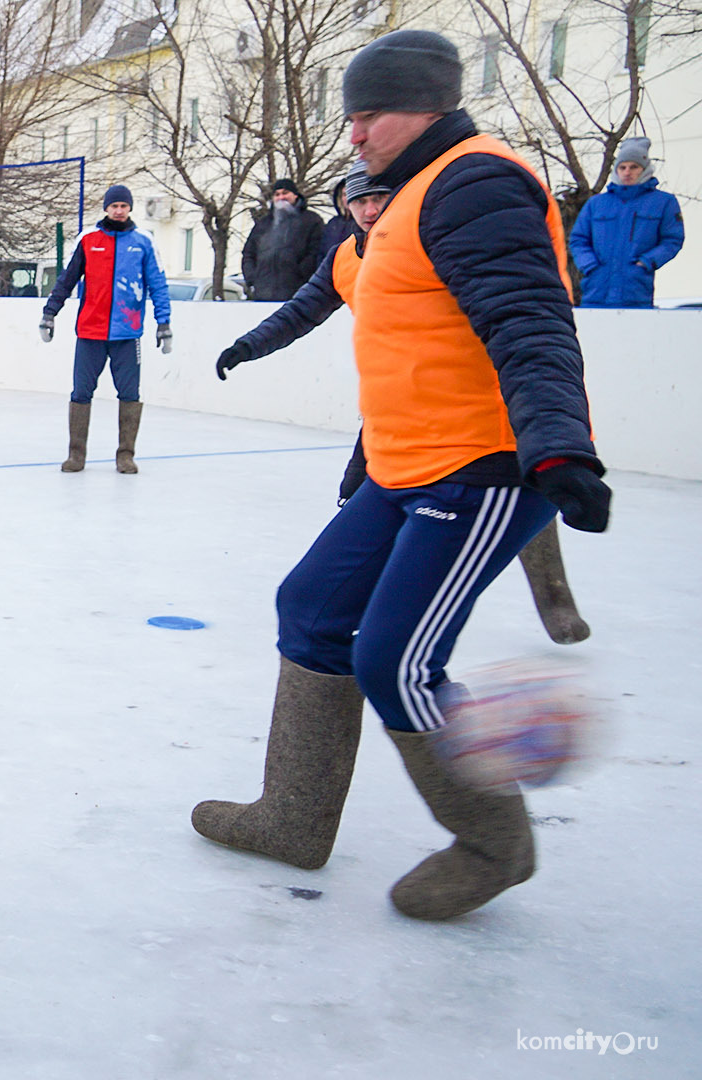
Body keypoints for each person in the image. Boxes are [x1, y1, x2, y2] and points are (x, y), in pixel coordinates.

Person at [191, 29, 611, 921]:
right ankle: (292, 819)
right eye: (351, 117)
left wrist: (561, 445)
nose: (354, 136)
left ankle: (495, 842)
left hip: (484, 468)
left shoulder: (476, 182)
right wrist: (252, 345)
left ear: (425, 104)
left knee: (397, 660)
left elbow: (528, 321)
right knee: (311, 608)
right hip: (405, 465)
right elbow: (355, 319)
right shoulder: (396, 202)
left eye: (369, 115)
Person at [218, 164, 592, 645]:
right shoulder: (343, 258)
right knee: (359, 497)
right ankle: (382, 596)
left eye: (381, 198)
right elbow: (299, 312)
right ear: (345, 208)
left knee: (514, 492)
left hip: (486, 411)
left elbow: (522, 311)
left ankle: (553, 595)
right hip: (401, 408)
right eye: (360, 201)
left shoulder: (432, 238)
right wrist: (248, 345)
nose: (371, 209)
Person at [38, 184, 172, 474]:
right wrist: (50, 313)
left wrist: (164, 323)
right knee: (81, 392)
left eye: (124, 206)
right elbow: (67, 279)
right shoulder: (89, 240)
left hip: (128, 332)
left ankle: (126, 455)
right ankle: (76, 455)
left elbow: (158, 284)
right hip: (90, 332)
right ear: (107, 208)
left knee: (129, 394)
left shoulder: (143, 242)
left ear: (130, 208)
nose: (119, 211)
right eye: (115, 206)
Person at [568, 137, 685, 308]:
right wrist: (589, 265)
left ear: (645, 169)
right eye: (622, 167)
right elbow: (578, 239)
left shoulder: (663, 202)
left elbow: (672, 240)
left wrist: (646, 262)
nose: (627, 172)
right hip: (596, 290)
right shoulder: (597, 203)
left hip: (636, 292)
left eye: (634, 167)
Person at [240, 178, 325, 301]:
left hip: (297, 295)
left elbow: (316, 252)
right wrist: (252, 278)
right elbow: (248, 253)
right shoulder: (263, 224)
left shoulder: (312, 221)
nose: (281, 197)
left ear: (295, 195)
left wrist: (300, 275)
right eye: (277, 194)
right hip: (262, 294)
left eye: (285, 193)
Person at [317, 173, 362, 258]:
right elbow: (322, 252)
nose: (348, 197)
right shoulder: (333, 223)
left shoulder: (364, 224)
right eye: (345, 194)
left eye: (351, 192)